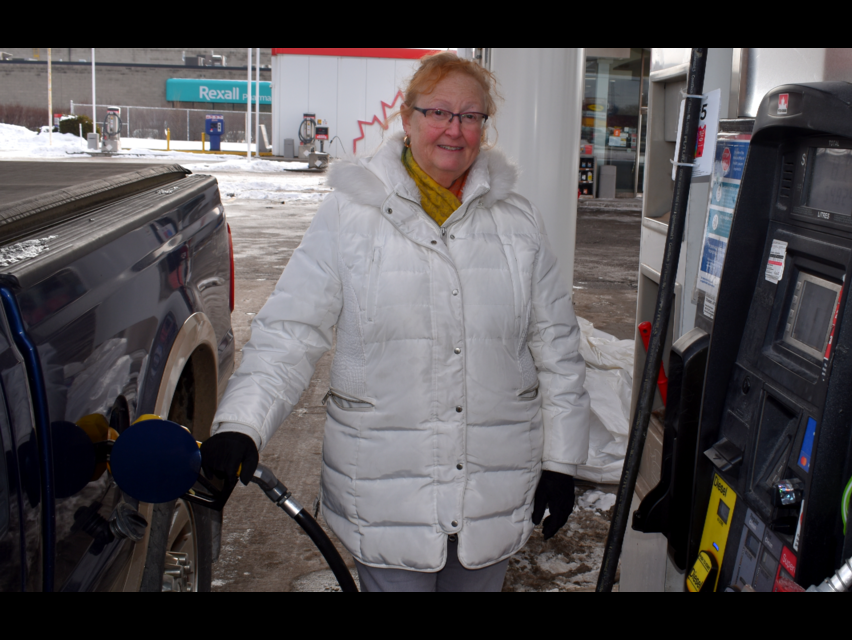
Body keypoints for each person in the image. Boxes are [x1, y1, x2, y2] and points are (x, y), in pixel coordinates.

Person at [201, 51, 589, 592]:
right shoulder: (349, 216)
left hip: (493, 490)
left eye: (470, 116)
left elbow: (557, 347)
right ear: (406, 120)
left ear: (484, 126)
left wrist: (562, 461)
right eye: (438, 113)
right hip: (385, 490)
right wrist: (241, 424)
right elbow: (291, 332)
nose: (454, 130)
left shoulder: (517, 223)